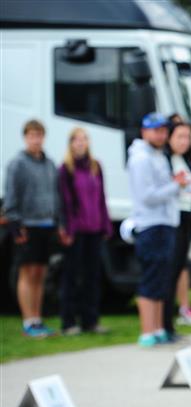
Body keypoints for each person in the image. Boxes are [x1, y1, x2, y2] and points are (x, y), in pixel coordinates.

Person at [127, 113, 188, 347]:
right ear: (144, 132)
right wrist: (176, 185)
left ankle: (159, 328)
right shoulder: (141, 158)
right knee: (151, 277)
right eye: (156, 130)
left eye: (164, 131)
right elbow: (147, 196)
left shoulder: (158, 156)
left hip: (165, 222)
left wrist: (174, 184)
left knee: (163, 277)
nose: (161, 135)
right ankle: (147, 331)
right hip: (150, 224)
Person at [4, 119, 65, 337]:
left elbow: (56, 195)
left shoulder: (49, 164)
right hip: (27, 226)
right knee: (27, 272)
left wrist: (58, 222)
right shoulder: (17, 164)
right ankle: (28, 321)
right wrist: (15, 225)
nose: (36, 140)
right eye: (32, 136)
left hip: (47, 225)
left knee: (41, 273)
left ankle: (38, 319)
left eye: (39, 135)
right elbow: (11, 196)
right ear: (25, 138)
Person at [58, 127, 112, 336]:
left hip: (94, 228)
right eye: (77, 140)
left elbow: (101, 198)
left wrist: (105, 224)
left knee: (92, 276)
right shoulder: (66, 169)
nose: (81, 143)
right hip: (77, 230)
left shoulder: (95, 166)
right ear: (71, 143)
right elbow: (66, 201)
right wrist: (68, 228)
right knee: (72, 276)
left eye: (84, 139)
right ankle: (68, 321)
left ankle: (91, 320)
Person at [163, 119, 191, 337]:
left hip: (187, 215)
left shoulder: (185, 159)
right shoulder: (165, 160)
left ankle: (170, 323)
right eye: (179, 136)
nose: (184, 141)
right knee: (170, 270)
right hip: (172, 217)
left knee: (179, 268)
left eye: (187, 137)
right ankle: (165, 324)